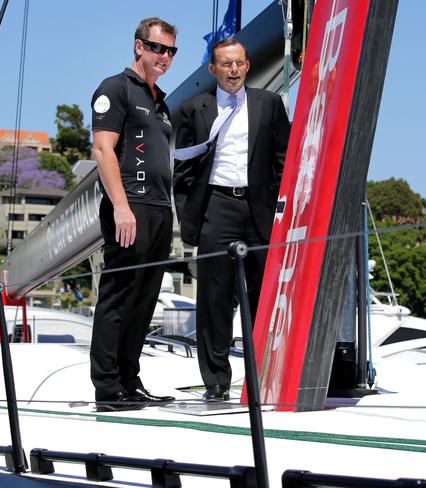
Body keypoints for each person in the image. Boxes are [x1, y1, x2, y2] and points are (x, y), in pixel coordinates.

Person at [173, 38, 290, 402]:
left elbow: (284, 159)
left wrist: (285, 212)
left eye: (239, 63)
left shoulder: (270, 104)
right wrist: (192, 218)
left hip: (258, 209)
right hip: (217, 207)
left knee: (260, 296)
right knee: (215, 299)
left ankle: (258, 379)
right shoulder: (195, 109)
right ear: (213, 69)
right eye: (226, 64)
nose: (234, 70)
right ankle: (217, 381)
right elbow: (183, 169)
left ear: (248, 65)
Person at [90, 17, 178, 412]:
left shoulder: (162, 102)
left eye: (171, 51)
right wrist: (122, 207)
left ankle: (129, 378)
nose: (164, 57)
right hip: (131, 206)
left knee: (145, 300)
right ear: (139, 46)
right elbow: (103, 150)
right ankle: (107, 387)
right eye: (157, 48)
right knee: (119, 297)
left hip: (160, 209)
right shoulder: (116, 88)